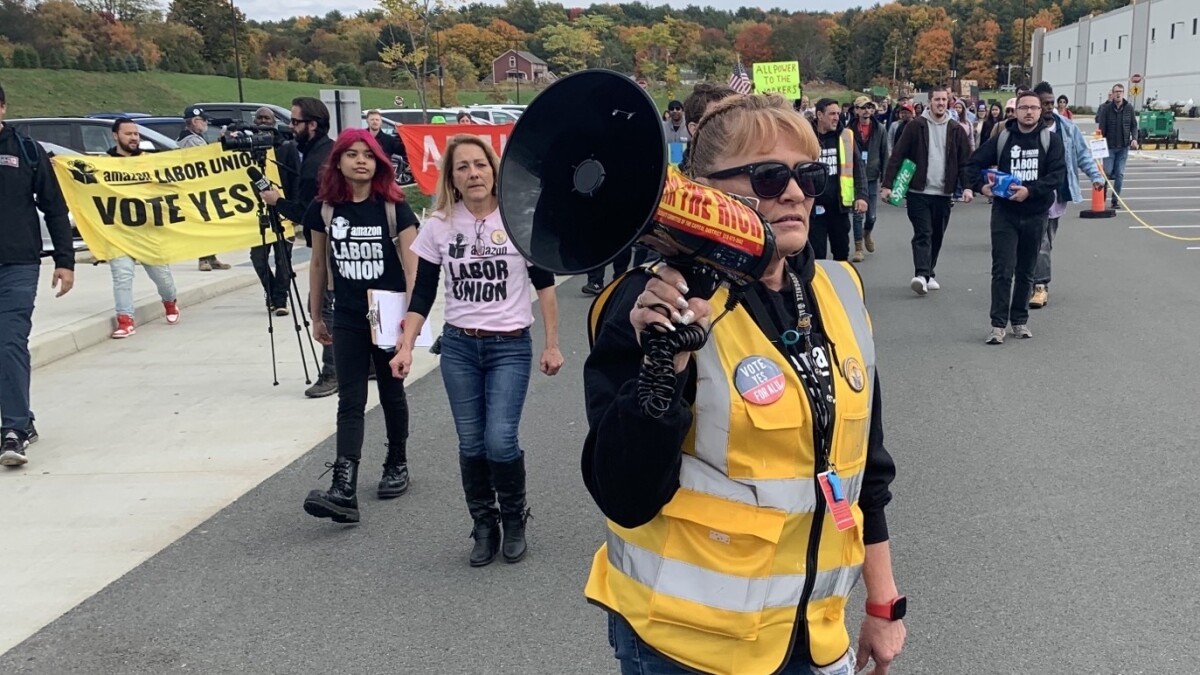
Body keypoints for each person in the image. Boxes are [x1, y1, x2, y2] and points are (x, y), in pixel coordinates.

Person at [583, 93, 903, 675]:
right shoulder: (650, 302)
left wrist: (883, 604)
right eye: (769, 176)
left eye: (809, 175)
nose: (796, 193)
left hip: (814, 637)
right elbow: (625, 495)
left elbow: (866, 472)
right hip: (687, 647)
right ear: (701, 190)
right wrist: (665, 365)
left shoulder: (840, 289)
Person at [391, 134, 563, 567]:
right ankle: (484, 524)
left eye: (480, 164)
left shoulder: (518, 218)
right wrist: (406, 345)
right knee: (471, 443)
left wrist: (553, 344)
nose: (473, 173)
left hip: (510, 347)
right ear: (451, 178)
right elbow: (423, 292)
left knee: (499, 441)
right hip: (460, 348)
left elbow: (545, 285)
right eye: (463, 167)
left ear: (494, 170)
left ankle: (514, 519)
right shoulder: (440, 225)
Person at [300, 129, 420, 523]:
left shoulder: (394, 207)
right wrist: (317, 315)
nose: (360, 161)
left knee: (391, 392)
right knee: (350, 399)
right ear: (338, 161)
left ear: (379, 162)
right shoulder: (324, 209)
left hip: (388, 315)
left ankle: (397, 461)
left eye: (368, 154)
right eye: (351, 154)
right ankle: (344, 485)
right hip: (348, 316)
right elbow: (319, 263)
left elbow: (414, 270)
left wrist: (410, 325)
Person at [0, 81, 75, 466]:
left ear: (2, 108)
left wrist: (65, 260)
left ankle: (13, 429)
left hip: (18, 264)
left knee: (9, 342)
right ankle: (23, 418)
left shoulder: (27, 150)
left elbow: (54, 207)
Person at [966, 90, 1065, 345]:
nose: (1029, 112)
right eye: (1024, 108)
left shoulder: (1050, 140)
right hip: (1005, 214)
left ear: (1041, 111)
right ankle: (997, 325)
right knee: (1002, 269)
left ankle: (1019, 320)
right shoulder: (1003, 138)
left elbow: (1056, 175)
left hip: (1036, 213)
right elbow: (972, 164)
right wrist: (981, 187)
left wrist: (1030, 191)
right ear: (1016, 111)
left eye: (1034, 107)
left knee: (1026, 270)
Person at [262, 97, 338, 398]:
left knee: (324, 307)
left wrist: (276, 202)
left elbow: (309, 213)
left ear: (312, 125)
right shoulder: (328, 151)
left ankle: (333, 371)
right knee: (338, 305)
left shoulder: (317, 164)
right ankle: (364, 363)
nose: (291, 127)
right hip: (340, 240)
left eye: (295, 122)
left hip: (330, 244)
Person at [881, 85, 973, 295]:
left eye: (944, 100)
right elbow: (898, 155)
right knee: (923, 232)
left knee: (937, 235)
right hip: (918, 192)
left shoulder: (956, 129)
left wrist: (968, 187)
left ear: (948, 103)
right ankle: (921, 275)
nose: (940, 103)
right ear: (929, 102)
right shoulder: (916, 126)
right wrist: (887, 185)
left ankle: (929, 273)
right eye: (937, 99)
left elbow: (965, 162)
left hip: (944, 193)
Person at [1030, 82, 1104, 310]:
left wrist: (1095, 176)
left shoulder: (1067, 128)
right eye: (1044, 103)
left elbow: (1082, 155)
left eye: (1051, 103)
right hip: (1034, 193)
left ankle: (1033, 276)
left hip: (1058, 192)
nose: (1049, 107)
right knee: (1039, 241)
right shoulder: (1028, 128)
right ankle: (1040, 285)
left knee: (1047, 241)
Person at [105, 118, 180, 338]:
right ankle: (125, 320)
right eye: (128, 134)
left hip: (147, 231)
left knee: (162, 278)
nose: (134, 138)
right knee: (122, 276)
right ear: (115, 136)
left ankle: (170, 302)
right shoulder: (103, 164)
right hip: (118, 233)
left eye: (136, 134)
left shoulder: (150, 161)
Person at [247, 107, 300, 316]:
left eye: (266, 118)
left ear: (274, 121)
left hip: (283, 209)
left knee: (283, 259)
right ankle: (271, 293)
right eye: (259, 118)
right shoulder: (246, 147)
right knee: (258, 258)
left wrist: (295, 210)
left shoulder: (287, 147)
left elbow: (295, 179)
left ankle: (280, 300)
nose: (263, 121)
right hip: (256, 213)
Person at [809, 98, 867, 261]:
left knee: (841, 253)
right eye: (832, 114)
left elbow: (858, 168)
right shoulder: (806, 136)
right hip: (813, 209)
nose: (836, 118)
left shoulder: (845, 136)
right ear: (819, 115)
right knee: (817, 256)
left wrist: (862, 196)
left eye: (838, 114)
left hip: (839, 207)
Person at [178, 106, 232, 272]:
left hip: (202, 186)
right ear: (195, 121)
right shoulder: (190, 140)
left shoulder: (195, 138)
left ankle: (211, 257)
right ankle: (203, 259)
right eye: (204, 120)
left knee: (210, 223)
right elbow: (205, 158)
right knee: (203, 224)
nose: (206, 123)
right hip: (196, 188)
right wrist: (220, 144)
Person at [851, 96, 888, 261]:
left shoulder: (879, 129)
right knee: (857, 214)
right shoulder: (849, 130)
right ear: (856, 110)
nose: (866, 110)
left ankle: (867, 233)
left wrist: (885, 179)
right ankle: (858, 248)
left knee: (871, 216)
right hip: (855, 177)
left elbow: (885, 153)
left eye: (869, 107)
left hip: (872, 176)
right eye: (863, 108)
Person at [1095, 82, 1138, 210]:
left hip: (1123, 147)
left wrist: (1134, 139)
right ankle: (1102, 195)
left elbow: (1134, 125)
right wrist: (1099, 144)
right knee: (1107, 172)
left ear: (1123, 94)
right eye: (1116, 92)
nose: (1118, 94)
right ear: (1112, 94)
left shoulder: (1129, 108)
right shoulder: (1106, 109)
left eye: (1120, 92)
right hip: (1109, 147)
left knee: (1120, 174)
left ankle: (1115, 200)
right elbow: (1101, 128)